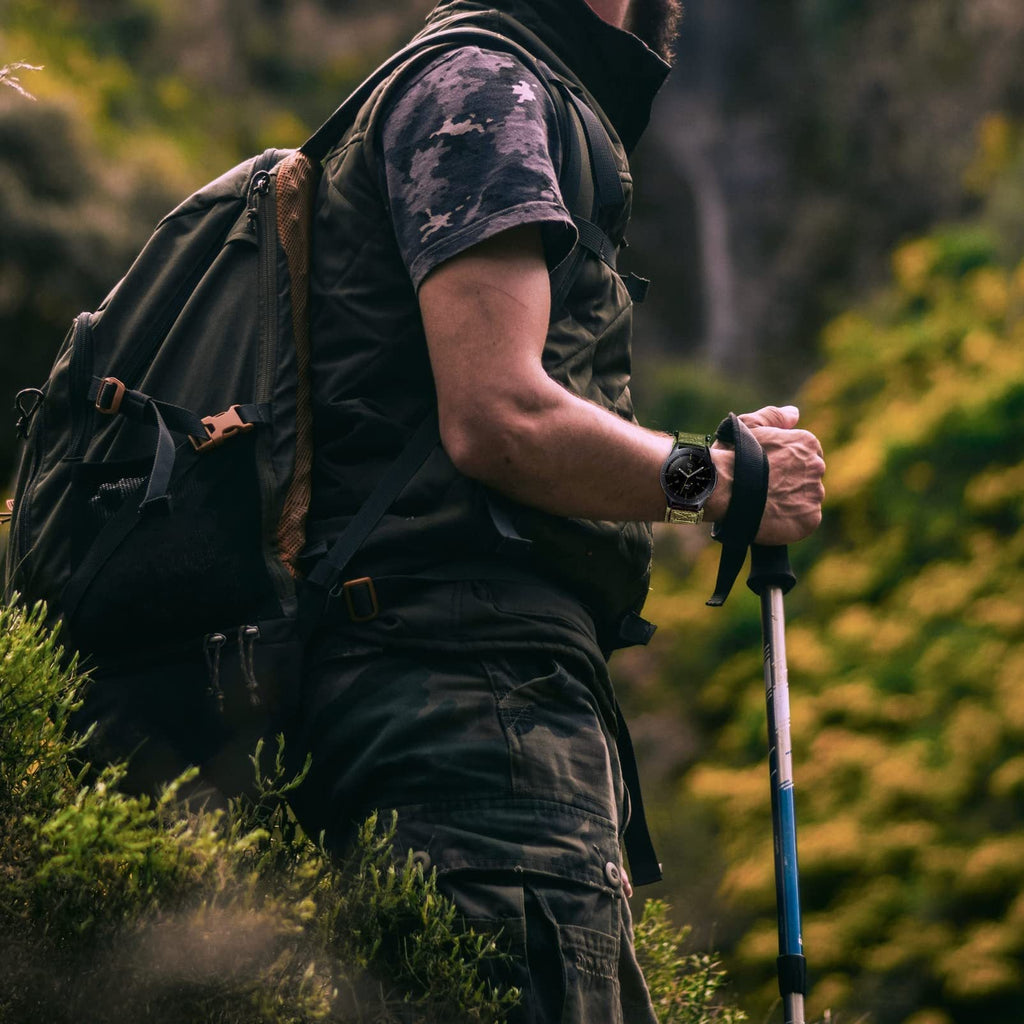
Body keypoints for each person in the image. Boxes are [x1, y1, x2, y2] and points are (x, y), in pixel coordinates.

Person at [292, 0, 826, 1019]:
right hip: (468, 718)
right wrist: (716, 484)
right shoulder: (488, 87)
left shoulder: (505, 84)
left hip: (454, 709)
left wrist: (709, 466)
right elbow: (496, 418)